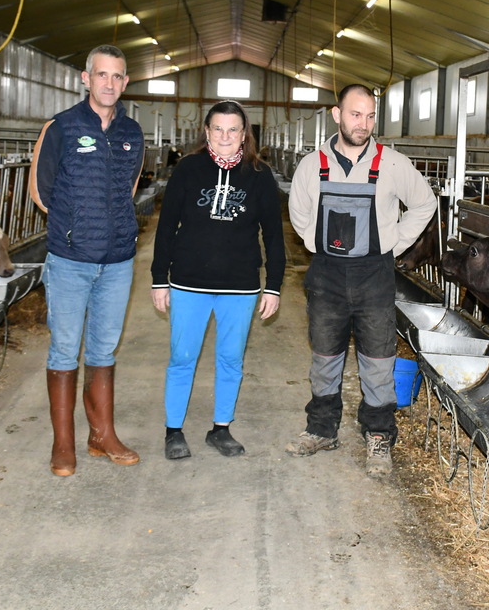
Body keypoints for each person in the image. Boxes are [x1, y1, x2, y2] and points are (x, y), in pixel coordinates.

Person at [285, 83, 437, 476]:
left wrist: (396, 244)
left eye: (370, 116)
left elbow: (425, 203)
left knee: (378, 359)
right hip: (327, 274)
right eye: (355, 114)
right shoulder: (312, 163)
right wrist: (314, 242)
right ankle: (321, 429)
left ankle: (378, 434)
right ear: (336, 115)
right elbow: (299, 211)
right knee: (324, 356)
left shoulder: (392, 163)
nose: (364, 124)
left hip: (374, 274)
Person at [29, 44, 143, 477]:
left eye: (117, 77)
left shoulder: (132, 132)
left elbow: (129, 188)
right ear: (86, 77)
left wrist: (117, 229)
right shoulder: (60, 127)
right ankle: (63, 443)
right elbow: (40, 192)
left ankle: (103, 434)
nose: (109, 83)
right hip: (71, 260)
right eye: (102, 75)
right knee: (63, 349)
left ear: (125, 82)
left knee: (103, 348)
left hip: (117, 260)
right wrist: (74, 228)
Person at [150, 101, 285, 459]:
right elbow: (166, 227)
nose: (226, 136)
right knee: (182, 357)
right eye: (218, 129)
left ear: (244, 134)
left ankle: (221, 428)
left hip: (240, 285)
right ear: (207, 132)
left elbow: (273, 234)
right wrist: (158, 278)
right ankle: (173, 430)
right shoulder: (188, 169)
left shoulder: (259, 175)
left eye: (233, 129)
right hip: (188, 282)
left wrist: (273, 284)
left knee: (230, 359)